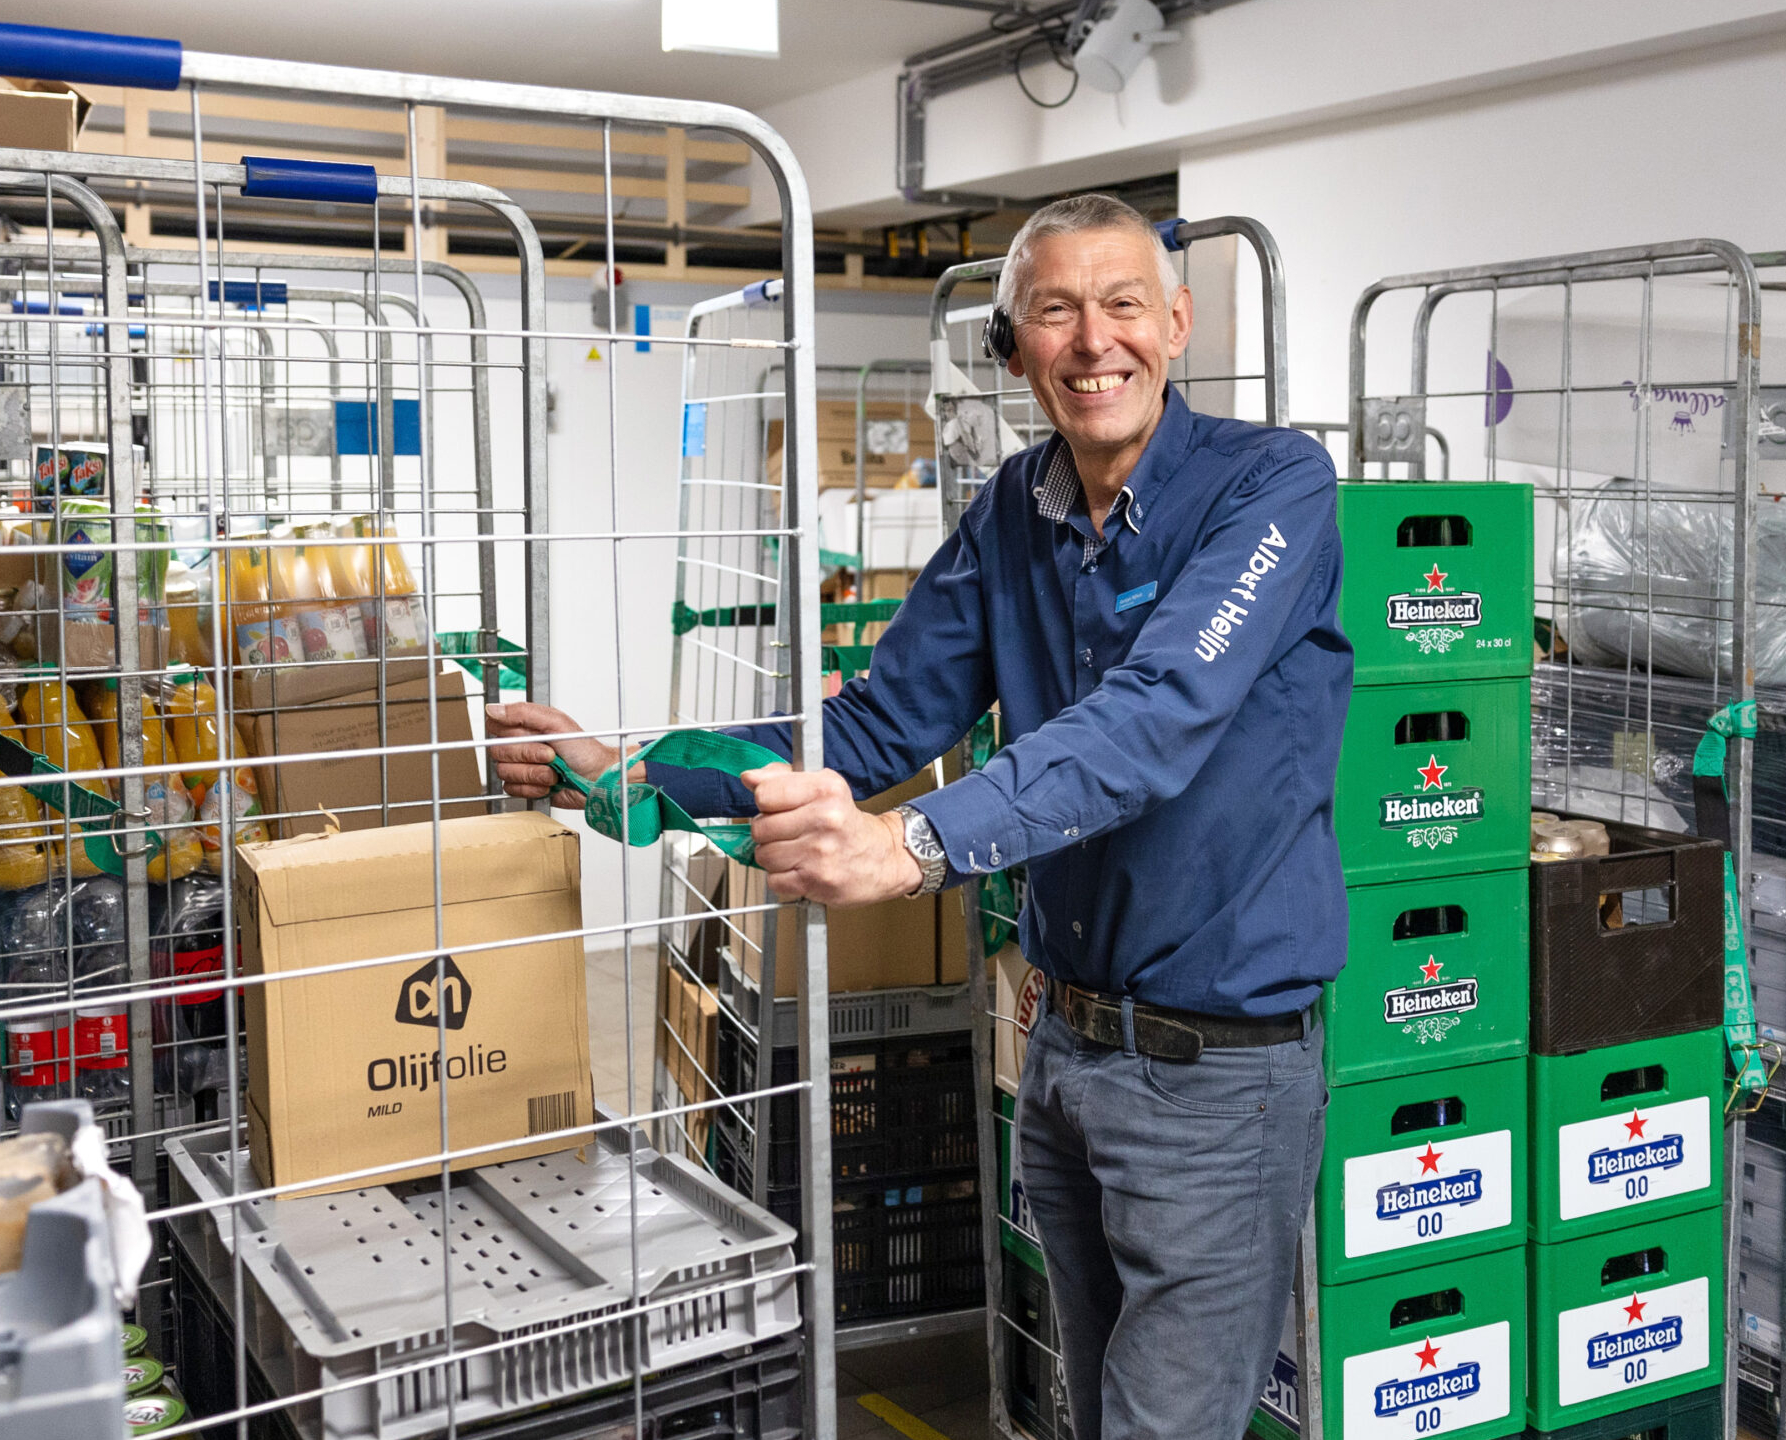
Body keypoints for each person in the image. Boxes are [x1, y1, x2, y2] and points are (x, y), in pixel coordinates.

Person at [484, 192, 1349, 1439]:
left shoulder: (1273, 486)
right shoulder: (1013, 510)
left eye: (1121, 306)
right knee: (1094, 1407)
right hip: (1066, 1053)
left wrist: (912, 847)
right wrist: (627, 774)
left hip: (1214, 1076)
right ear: (1012, 345)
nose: (1092, 340)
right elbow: (880, 723)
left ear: (1177, 322)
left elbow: (1158, 716)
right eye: (1053, 310)